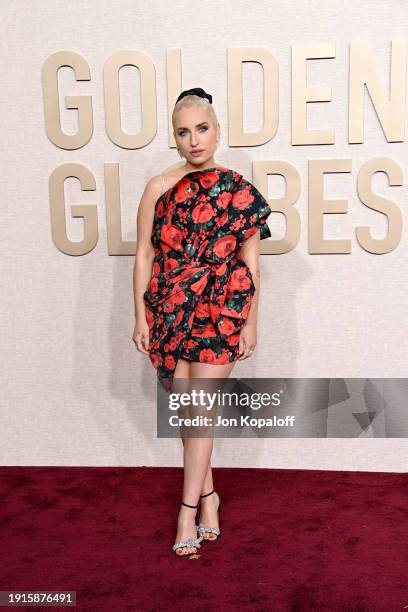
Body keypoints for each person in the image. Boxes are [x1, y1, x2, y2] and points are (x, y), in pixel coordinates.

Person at [133, 87, 272, 557]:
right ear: (174, 137)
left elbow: (251, 264)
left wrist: (250, 322)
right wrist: (140, 316)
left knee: (201, 411)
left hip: (223, 309)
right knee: (191, 415)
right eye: (183, 132)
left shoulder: (240, 190)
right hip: (172, 308)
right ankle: (211, 497)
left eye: (202, 129)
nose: (194, 140)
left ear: (217, 130)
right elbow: (143, 255)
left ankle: (186, 511)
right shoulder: (158, 186)